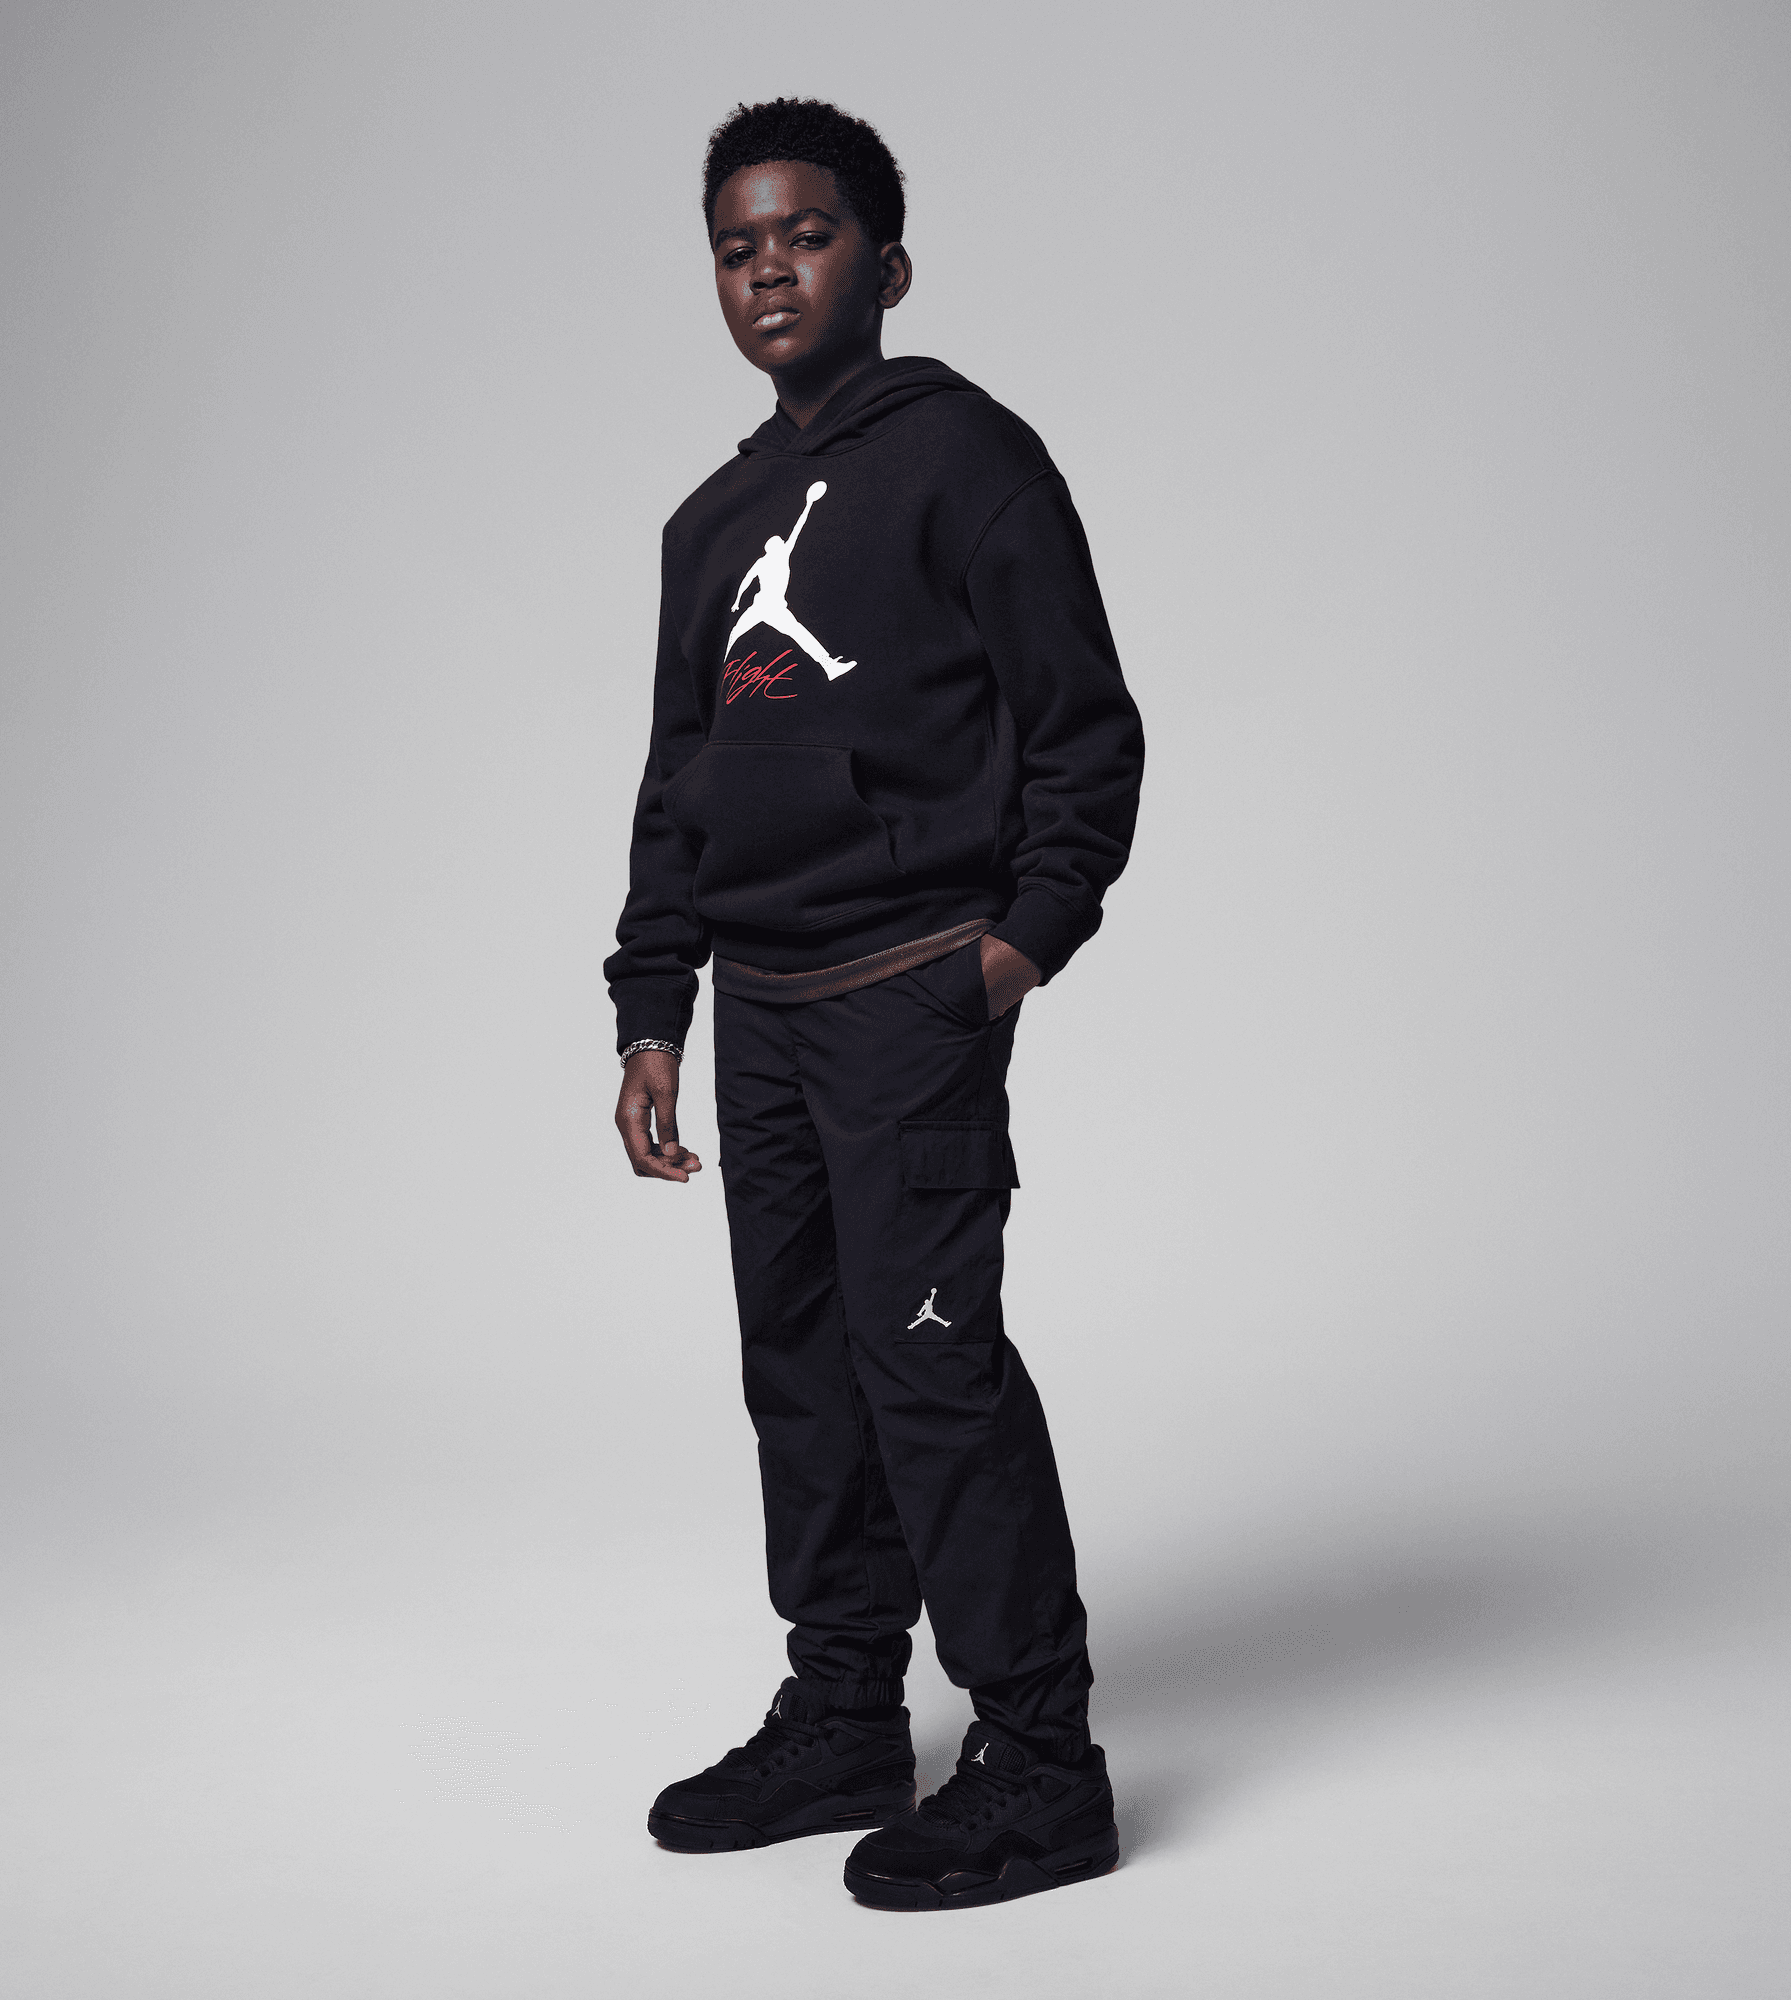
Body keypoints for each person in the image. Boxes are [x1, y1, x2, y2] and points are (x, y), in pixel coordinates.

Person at [603, 96, 1143, 1910]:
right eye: (736, 247)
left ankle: (1045, 1769)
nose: (769, 270)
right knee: (805, 1376)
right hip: (758, 1010)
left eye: (808, 235)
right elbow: (678, 782)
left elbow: (1087, 732)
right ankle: (844, 1714)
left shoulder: (971, 460)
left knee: (930, 1370)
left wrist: (1016, 945)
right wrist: (653, 1007)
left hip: (908, 994)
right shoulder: (707, 523)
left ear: (889, 265)